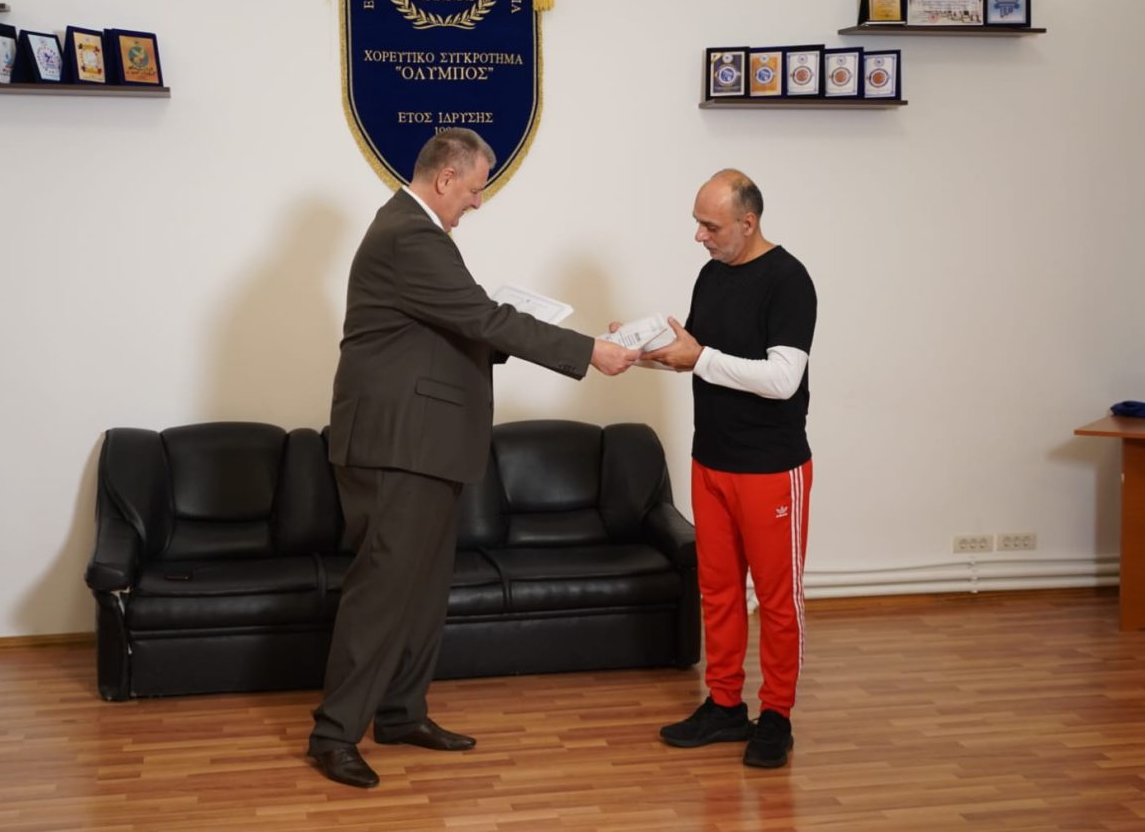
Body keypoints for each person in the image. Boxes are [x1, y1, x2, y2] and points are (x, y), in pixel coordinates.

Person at [308, 128, 639, 788]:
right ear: (445, 179)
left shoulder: (415, 233)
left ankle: (400, 714)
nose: (479, 202)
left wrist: (506, 321)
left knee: (423, 594)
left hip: (426, 446)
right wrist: (587, 351)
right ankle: (334, 735)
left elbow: (458, 325)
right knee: (382, 595)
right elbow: (482, 319)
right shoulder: (410, 236)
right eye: (476, 189)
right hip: (398, 448)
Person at [642, 168, 817, 769]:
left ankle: (777, 716)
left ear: (748, 222)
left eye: (710, 226)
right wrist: (641, 352)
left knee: (777, 600)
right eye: (698, 223)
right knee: (717, 592)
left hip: (770, 468)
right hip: (710, 460)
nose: (699, 236)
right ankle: (723, 705)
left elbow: (782, 378)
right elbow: (698, 356)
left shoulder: (789, 280)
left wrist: (700, 357)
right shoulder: (713, 273)